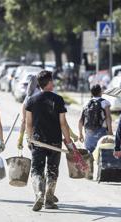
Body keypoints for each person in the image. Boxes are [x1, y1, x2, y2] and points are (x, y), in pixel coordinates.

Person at [25, 70, 72, 211]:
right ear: (50, 83)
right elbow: (63, 123)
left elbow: (28, 123)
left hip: (38, 141)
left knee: (36, 171)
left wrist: (29, 139)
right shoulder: (58, 100)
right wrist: (68, 142)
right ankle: (49, 199)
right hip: (55, 142)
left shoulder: (31, 100)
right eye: (52, 80)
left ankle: (39, 193)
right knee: (52, 170)